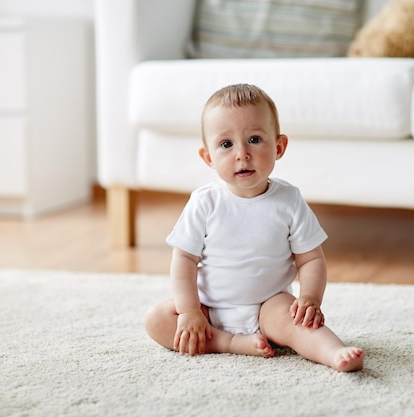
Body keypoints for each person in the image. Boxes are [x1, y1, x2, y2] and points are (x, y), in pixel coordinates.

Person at [144, 83, 364, 372]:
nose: (242, 154)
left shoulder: (289, 200)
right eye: (226, 144)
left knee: (297, 322)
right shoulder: (204, 202)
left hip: (268, 307)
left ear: (279, 147)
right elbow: (184, 259)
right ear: (208, 157)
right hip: (208, 308)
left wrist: (310, 298)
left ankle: (334, 352)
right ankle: (228, 342)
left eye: (255, 139)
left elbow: (310, 258)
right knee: (157, 319)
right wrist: (189, 311)